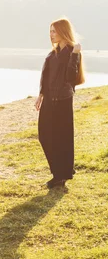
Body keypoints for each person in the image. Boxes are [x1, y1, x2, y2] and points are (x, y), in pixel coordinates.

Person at [35, 17, 85, 189]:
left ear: (63, 31)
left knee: (62, 138)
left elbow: (71, 77)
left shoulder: (73, 51)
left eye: (54, 31)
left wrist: (75, 55)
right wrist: (40, 94)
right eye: (50, 31)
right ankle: (61, 171)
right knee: (44, 136)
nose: (51, 34)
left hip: (63, 100)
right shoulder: (52, 53)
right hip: (49, 99)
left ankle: (60, 176)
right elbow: (45, 75)